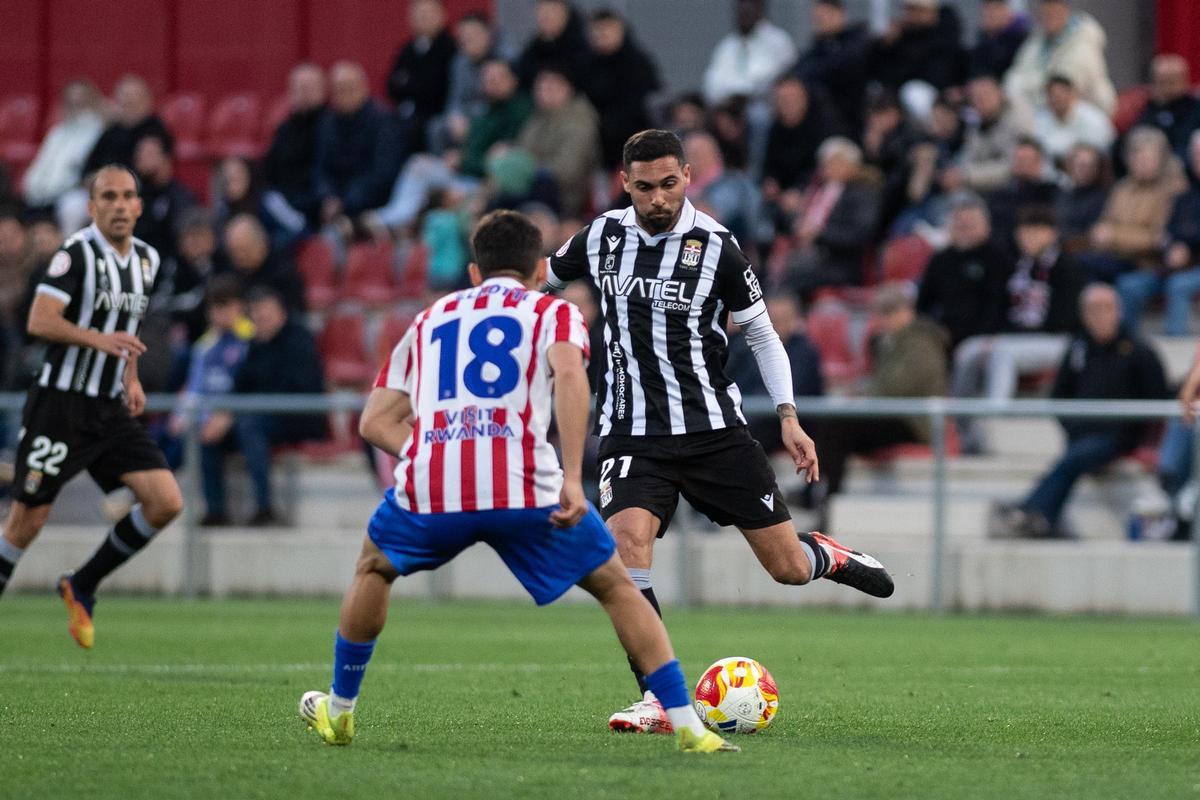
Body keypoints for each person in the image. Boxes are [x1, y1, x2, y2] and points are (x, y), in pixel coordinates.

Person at [298, 210, 739, 754]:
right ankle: (689, 727)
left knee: (373, 568)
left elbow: (374, 422)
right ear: (537, 269)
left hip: (433, 487)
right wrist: (575, 478)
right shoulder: (555, 312)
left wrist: (439, 449)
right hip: (526, 486)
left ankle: (339, 711)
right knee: (618, 588)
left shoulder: (428, 318)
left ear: (474, 272)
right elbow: (572, 378)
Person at [549, 129, 894, 734]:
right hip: (631, 431)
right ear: (625, 184)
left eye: (669, 184)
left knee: (785, 567)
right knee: (625, 547)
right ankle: (659, 697)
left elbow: (761, 334)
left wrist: (788, 416)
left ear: (687, 175)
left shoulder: (717, 247)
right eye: (645, 187)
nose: (658, 198)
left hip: (713, 431)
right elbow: (540, 280)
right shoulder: (600, 237)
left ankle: (827, 555)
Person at [0, 165, 184, 649]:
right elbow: (41, 319)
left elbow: (129, 329)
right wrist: (98, 341)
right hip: (59, 405)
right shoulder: (75, 254)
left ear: (139, 206)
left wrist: (131, 376)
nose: (120, 205)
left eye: (128, 196)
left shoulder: (146, 259)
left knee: (165, 502)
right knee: (27, 521)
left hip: (109, 408)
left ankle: (82, 584)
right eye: (109, 196)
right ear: (91, 206)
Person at [993, 284, 1167, 538]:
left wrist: (1132, 430)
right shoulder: (1077, 348)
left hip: (1120, 436)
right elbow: (1058, 396)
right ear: (1084, 315)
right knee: (1075, 456)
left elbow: (1156, 399)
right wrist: (1074, 426)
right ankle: (1044, 518)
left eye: (1107, 308)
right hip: (1082, 434)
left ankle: (1033, 509)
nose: (1101, 316)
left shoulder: (1139, 351)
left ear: (1118, 312)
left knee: (1072, 458)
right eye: (1094, 310)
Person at [951, 206, 1086, 453]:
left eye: (1036, 232)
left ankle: (994, 427)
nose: (1029, 238)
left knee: (1002, 354)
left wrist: (1006, 339)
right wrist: (997, 336)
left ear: (1051, 234)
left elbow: (1064, 319)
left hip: (1057, 340)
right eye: (1024, 232)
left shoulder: (1067, 268)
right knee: (968, 350)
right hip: (1016, 339)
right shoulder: (1017, 267)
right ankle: (963, 430)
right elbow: (1003, 309)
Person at [204, 288, 326, 525]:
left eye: (265, 314)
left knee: (250, 425)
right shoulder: (256, 344)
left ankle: (265, 507)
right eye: (256, 316)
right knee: (210, 433)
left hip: (298, 417)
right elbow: (241, 384)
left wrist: (239, 411)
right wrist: (224, 413)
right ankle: (215, 510)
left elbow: (295, 387)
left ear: (280, 313)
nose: (261, 320)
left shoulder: (299, 339)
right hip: (260, 417)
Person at [815, 283, 948, 499]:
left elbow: (899, 386)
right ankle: (820, 491)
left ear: (905, 311)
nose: (882, 321)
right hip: (893, 414)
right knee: (834, 425)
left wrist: (865, 395)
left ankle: (827, 495)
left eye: (888, 313)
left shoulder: (921, 343)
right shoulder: (894, 341)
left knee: (839, 426)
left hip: (912, 421)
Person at [166, 275, 252, 525]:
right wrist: (181, 416)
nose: (218, 313)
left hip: (238, 417)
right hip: (206, 420)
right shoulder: (205, 345)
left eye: (224, 306)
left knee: (196, 442)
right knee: (165, 434)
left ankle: (141, 497)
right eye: (214, 307)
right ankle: (142, 493)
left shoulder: (251, 339)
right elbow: (195, 387)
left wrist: (226, 414)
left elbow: (250, 384)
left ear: (240, 307)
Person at [1115, 130, 1200, 336]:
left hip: (1194, 265)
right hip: (1173, 264)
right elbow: (1169, 230)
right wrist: (1171, 246)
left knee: (1178, 286)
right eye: (1196, 155)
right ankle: (1127, 349)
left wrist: (1188, 248)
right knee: (1129, 285)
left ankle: (1178, 352)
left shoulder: (1173, 187)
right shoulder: (1186, 194)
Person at [1080, 126, 1185, 284]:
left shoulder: (1171, 190)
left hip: (1145, 262)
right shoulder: (1122, 187)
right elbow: (1105, 222)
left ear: (1161, 160)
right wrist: (1100, 232)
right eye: (1135, 158)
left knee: (1085, 268)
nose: (1140, 163)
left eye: (1147, 158)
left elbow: (1157, 237)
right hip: (1112, 255)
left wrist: (1114, 236)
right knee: (1074, 265)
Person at [778, 137, 880, 297]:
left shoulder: (862, 194)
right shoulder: (816, 189)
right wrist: (794, 216)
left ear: (852, 165)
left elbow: (859, 234)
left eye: (833, 163)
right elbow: (793, 221)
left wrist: (818, 235)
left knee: (790, 277)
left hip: (838, 262)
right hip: (805, 253)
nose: (826, 168)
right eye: (824, 163)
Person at [314, 62, 405, 233]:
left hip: (372, 204)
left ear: (364, 87)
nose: (344, 94)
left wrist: (345, 202)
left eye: (349, 88)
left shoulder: (383, 121)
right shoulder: (327, 122)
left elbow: (384, 173)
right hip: (336, 205)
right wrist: (328, 196)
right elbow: (321, 169)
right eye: (338, 89)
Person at [916, 192, 1012, 350]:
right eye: (959, 224)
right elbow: (924, 304)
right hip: (943, 334)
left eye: (970, 224)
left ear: (986, 225)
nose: (964, 229)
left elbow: (999, 305)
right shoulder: (940, 259)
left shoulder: (999, 258)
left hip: (984, 337)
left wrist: (984, 336)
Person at [1004, 0, 1116, 117]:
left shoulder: (1083, 44)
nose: (1048, 18)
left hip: (1088, 114)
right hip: (1044, 115)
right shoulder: (1037, 41)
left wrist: (1028, 89)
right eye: (1045, 14)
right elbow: (1013, 81)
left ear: (1065, 12)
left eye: (1053, 13)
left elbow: (1059, 92)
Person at [582, 9, 662, 171]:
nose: (601, 36)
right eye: (597, 31)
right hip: (597, 145)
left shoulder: (638, 63)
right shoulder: (586, 65)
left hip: (634, 141)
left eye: (607, 30)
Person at [516, 68, 601, 218]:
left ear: (567, 89)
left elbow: (568, 170)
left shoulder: (579, 120)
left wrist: (527, 168)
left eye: (550, 87)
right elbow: (521, 151)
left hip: (565, 195)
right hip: (531, 184)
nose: (543, 93)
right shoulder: (537, 118)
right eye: (540, 87)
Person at [21, 80, 105, 212]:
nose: (76, 107)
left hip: (74, 193)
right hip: (42, 195)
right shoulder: (56, 132)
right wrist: (33, 189)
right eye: (71, 102)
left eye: (80, 102)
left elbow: (78, 170)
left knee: (72, 207)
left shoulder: (99, 132)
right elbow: (41, 164)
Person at [386, 0, 457, 153]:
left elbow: (437, 88)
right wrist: (416, 85)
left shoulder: (449, 48)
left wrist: (408, 83)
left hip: (434, 114)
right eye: (418, 14)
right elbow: (391, 85)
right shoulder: (407, 49)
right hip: (404, 114)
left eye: (428, 14)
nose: (423, 18)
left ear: (442, 16)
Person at [263, 63, 327, 227]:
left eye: (309, 88)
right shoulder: (285, 128)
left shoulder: (331, 126)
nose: (304, 94)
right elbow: (269, 168)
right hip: (281, 202)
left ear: (323, 89)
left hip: (312, 207)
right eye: (299, 88)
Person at [793, 0, 871, 132]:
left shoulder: (857, 41)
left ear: (840, 14)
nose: (820, 21)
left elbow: (840, 68)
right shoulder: (817, 47)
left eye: (824, 15)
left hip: (850, 114)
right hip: (818, 117)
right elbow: (799, 73)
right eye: (817, 18)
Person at [702, 0, 797, 106]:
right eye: (741, 11)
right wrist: (732, 96)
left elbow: (778, 77)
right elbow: (711, 84)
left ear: (760, 10)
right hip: (729, 106)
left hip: (764, 105)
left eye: (749, 10)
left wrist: (746, 93)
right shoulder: (727, 46)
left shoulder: (778, 41)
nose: (745, 13)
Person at [870, 0, 966, 95]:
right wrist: (885, 46)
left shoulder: (945, 37)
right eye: (908, 10)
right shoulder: (902, 37)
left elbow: (936, 74)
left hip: (935, 95)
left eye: (916, 10)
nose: (910, 15)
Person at [83, 76, 172, 174]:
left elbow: (150, 175)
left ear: (147, 102)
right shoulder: (110, 131)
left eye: (133, 103)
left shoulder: (155, 133)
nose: (127, 107)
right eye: (123, 103)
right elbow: (87, 171)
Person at [132, 134, 196, 263]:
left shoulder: (180, 198)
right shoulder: (138, 195)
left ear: (165, 158)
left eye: (148, 154)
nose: (139, 158)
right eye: (139, 153)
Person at [221, 214, 305, 312]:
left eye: (244, 250)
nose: (239, 256)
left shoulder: (283, 271)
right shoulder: (229, 272)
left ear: (261, 242)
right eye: (233, 252)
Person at [1128, 54, 1200, 163]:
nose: (1165, 87)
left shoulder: (1195, 109)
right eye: (1160, 81)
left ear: (1185, 80)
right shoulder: (1147, 108)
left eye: (1171, 81)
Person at [1033, 74, 1114, 166]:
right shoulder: (1041, 119)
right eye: (1052, 95)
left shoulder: (1092, 119)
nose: (1057, 99)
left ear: (1072, 94)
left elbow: (1102, 151)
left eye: (1061, 94)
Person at [516, 0, 589, 89]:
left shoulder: (583, 50)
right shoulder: (532, 51)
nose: (546, 16)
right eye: (542, 11)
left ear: (565, 13)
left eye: (552, 10)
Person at [1054, 143, 1112, 253]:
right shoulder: (1063, 193)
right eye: (1081, 165)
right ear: (1070, 166)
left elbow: (1093, 234)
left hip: (1083, 252)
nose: (1086, 170)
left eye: (1091, 166)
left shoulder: (1105, 196)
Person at [969, 0, 1029, 80]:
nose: (990, 14)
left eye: (995, 9)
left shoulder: (1022, 42)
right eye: (987, 10)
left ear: (1007, 12)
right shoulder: (980, 43)